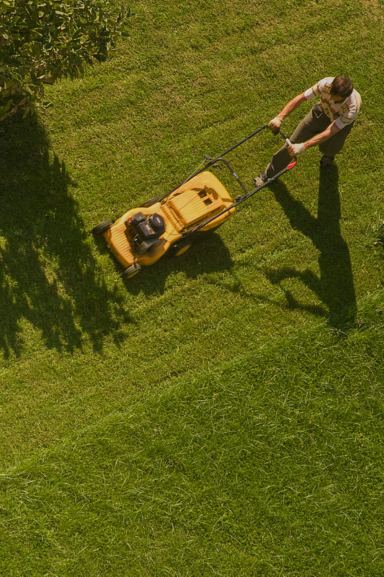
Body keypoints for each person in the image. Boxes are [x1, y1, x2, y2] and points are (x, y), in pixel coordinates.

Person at [254, 76, 362, 186]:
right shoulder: (326, 83)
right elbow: (301, 98)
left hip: (338, 122)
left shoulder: (352, 108)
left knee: (329, 148)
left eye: (334, 98)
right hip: (321, 112)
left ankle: (328, 156)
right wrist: (279, 117)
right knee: (292, 143)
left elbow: (331, 131)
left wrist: (304, 146)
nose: (329, 99)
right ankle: (269, 173)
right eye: (330, 94)